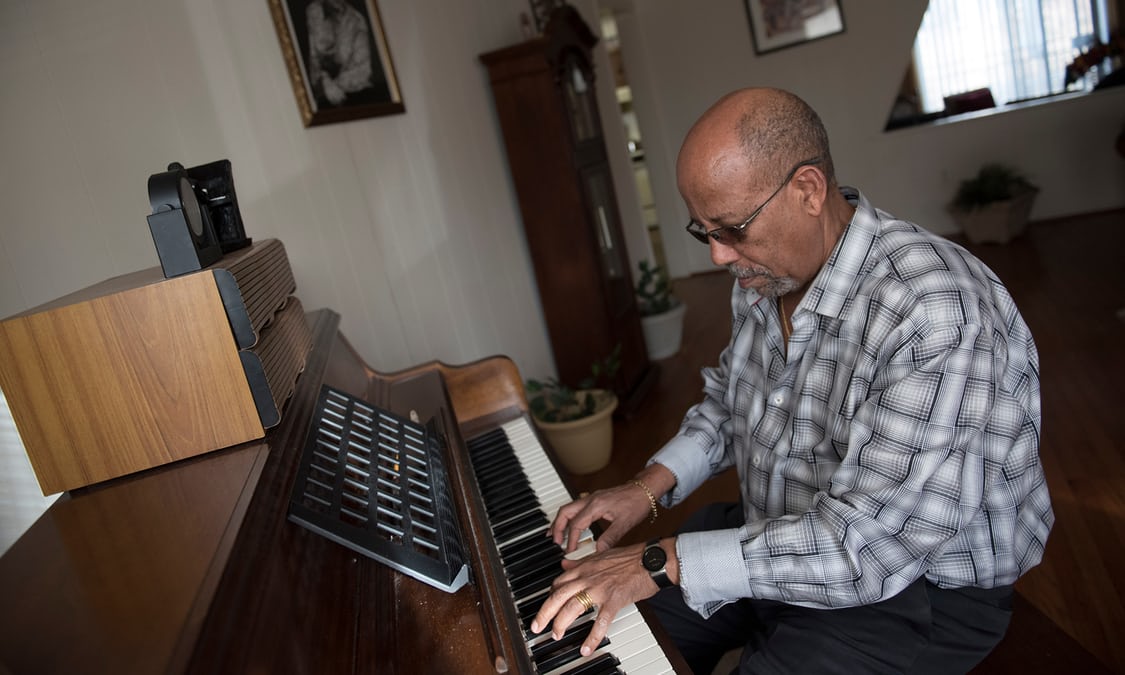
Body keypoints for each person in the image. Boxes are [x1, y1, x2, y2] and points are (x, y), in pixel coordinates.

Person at [530, 87, 1054, 674]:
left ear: (807, 190)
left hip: (910, 590)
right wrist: (646, 489)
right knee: (586, 635)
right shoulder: (765, 273)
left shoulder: (935, 309)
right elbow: (734, 403)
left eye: (731, 229)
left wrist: (658, 562)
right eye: (703, 231)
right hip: (775, 530)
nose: (719, 258)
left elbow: (864, 550)